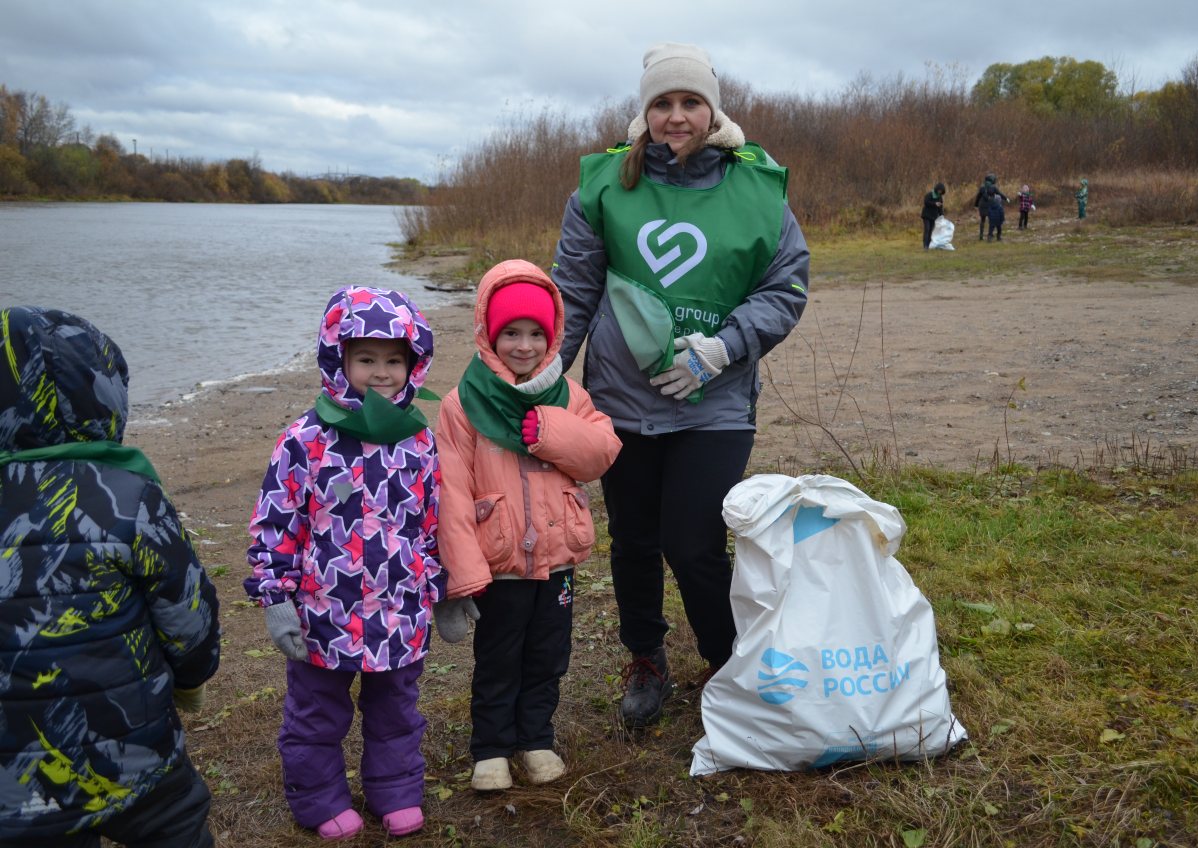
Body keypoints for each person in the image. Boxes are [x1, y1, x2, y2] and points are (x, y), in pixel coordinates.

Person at [550, 42, 810, 728]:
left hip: (715, 403)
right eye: (662, 103)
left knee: (694, 541)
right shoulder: (604, 186)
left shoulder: (759, 192)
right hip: (621, 401)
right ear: (644, 113)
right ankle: (646, 659)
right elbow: (573, 289)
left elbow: (785, 288)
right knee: (633, 538)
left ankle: (731, 664)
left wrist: (723, 348)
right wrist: (546, 377)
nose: (676, 116)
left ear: (713, 110)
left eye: (690, 101)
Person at [0, 306, 221, 848]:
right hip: (131, 750)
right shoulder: (126, 496)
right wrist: (191, 678)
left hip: (12, 778)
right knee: (175, 823)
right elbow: (186, 614)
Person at [245, 286, 446, 840]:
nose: (380, 373)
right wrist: (275, 597)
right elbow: (277, 520)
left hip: (399, 610)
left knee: (398, 711)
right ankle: (317, 796)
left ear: (413, 365)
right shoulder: (306, 439)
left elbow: (430, 525)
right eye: (365, 360)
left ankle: (396, 791)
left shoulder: (419, 441)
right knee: (317, 712)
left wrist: (441, 589)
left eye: (393, 360)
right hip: (323, 611)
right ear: (339, 357)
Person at [436, 259, 621, 791]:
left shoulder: (570, 398)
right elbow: (450, 492)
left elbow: (601, 453)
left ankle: (536, 739)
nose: (523, 345)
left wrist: (548, 429)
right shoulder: (461, 404)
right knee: (498, 657)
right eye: (510, 333)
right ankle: (491, 749)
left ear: (553, 335)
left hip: (557, 560)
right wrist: (463, 578)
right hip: (500, 564)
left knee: (547, 655)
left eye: (535, 333)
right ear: (489, 336)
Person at [972, 173, 1008, 240]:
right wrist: (1006, 198)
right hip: (990, 206)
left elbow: (978, 197)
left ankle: (981, 236)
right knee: (991, 221)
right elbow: (999, 194)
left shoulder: (982, 187)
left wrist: (976, 205)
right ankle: (990, 235)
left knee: (982, 220)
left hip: (982, 206)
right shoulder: (993, 187)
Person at [921, 182, 945, 249]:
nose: (940, 192)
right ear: (936, 189)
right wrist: (935, 204)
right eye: (939, 190)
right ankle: (925, 245)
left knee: (931, 230)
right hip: (926, 215)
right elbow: (926, 202)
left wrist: (942, 215)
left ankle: (928, 245)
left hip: (933, 216)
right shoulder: (929, 194)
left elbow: (940, 207)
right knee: (927, 229)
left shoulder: (940, 197)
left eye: (941, 191)